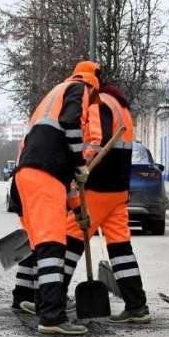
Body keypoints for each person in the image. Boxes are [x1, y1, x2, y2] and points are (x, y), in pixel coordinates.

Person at [9, 60, 102, 336]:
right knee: (52, 247)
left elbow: (68, 189)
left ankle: (44, 306)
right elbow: (70, 122)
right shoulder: (79, 88)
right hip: (44, 174)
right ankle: (52, 318)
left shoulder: (54, 93)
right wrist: (79, 163)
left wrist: (77, 210)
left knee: (42, 246)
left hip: (28, 175)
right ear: (94, 83)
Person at [57, 83, 150, 324]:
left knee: (71, 239)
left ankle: (53, 300)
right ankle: (136, 305)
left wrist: (80, 167)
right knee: (121, 249)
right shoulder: (123, 109)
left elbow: (97, 140)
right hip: (118, 190)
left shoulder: (99, 102)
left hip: (97, 186)